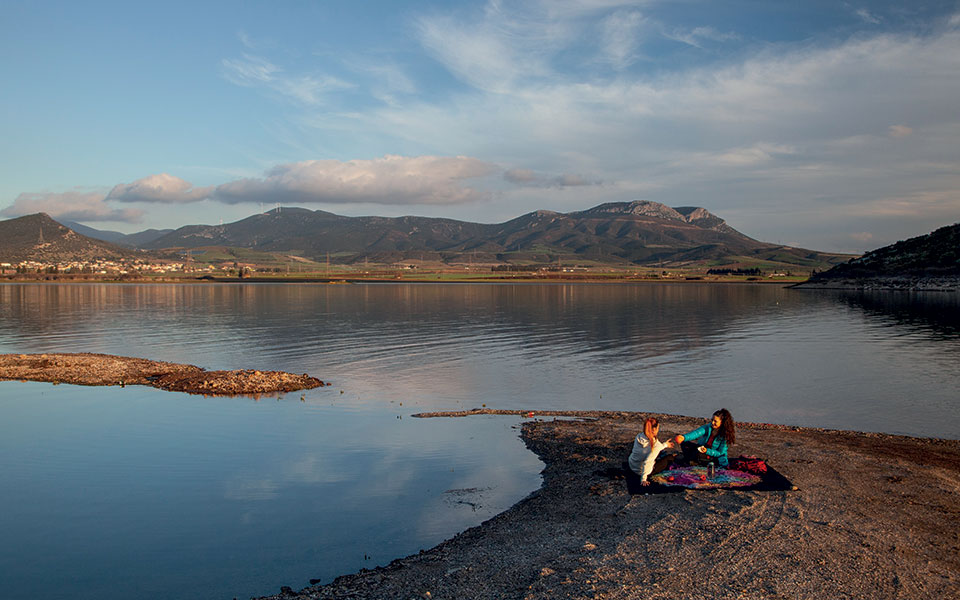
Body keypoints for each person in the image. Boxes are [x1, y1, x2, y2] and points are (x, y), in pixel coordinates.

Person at [628, 417, 675, 485]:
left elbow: (658, 447)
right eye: (658, 428)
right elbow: (647, 462)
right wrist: (643, 479)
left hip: (632, 465)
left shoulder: (639, 436)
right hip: (641, 471)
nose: (658, 430)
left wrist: (665, 445)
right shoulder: (656, 445)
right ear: (654, 429)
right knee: (670, 458)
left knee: (659, 452)